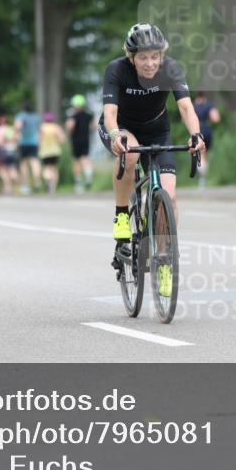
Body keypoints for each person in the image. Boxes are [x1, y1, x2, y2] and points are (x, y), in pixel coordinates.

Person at [99, 23, 205, 297]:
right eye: (143, 57)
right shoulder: (117, 70)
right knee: (130, 152)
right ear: (131, 57)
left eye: (155, 56)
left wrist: (195, 135)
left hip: (157, 129)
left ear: (162, 55)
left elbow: (186, 107)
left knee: (170, 196)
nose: (150, 63)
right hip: (121, 127)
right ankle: (122, 214)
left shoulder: (171, 69)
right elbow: (110, 114)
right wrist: (115, 135)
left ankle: (164, 261)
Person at [65, 94, 95, 193]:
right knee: (86, 158)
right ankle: (88, 175)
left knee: (77, 161)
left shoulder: (73, 115)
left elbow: (70, 127)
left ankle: (78, 184)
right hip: (86, 140)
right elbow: (94, 127)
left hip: (76, 141)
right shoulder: (89, 115)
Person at [192, 91, 221, 189]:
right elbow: (216, 119)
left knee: (200, 155)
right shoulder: (209, 105)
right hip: (207, 131)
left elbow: (184, 119)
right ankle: (203, 178)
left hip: (197, 131)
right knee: (204, 154)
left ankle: (202, 179)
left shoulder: (193, 105)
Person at [15, 102, 41, 194]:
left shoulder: (20, 116)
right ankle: (37, 183)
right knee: (35, 162)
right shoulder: (36, 117)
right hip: (34, 142)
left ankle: (25, 185)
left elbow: (18, 127)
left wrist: (17, 135)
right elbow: (39, 130)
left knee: (24, 164)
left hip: (24, 142)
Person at [38, 112, 66, 194]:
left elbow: (39, 139)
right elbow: (62, 140)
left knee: (47, 167)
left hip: (45, 151)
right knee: (54, 168)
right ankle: (53, 187)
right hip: (55, 151)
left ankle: (48, 181)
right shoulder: (56, 127)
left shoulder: (42, 127)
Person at [0, 115, 20, 196]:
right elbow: (18, 139)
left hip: (3, 151)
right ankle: (19, 187)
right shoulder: (12, 129)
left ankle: (8, 188)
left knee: (2, 170)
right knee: (13, 169)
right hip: (13, 150)